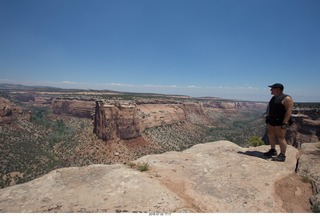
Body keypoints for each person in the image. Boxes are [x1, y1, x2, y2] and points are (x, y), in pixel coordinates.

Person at [264, 83, 294, 162]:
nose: (271, 90)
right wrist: (268, 117)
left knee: (281, 137)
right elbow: (270, 108)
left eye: (272, 88)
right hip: (272, 120)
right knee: (271, 135)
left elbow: (289, 111)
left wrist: (284, 122)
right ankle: (273, 150)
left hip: (280, 121)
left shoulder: (287, 98)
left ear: (278, 89)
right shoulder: (274, 98)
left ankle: (282, 155)